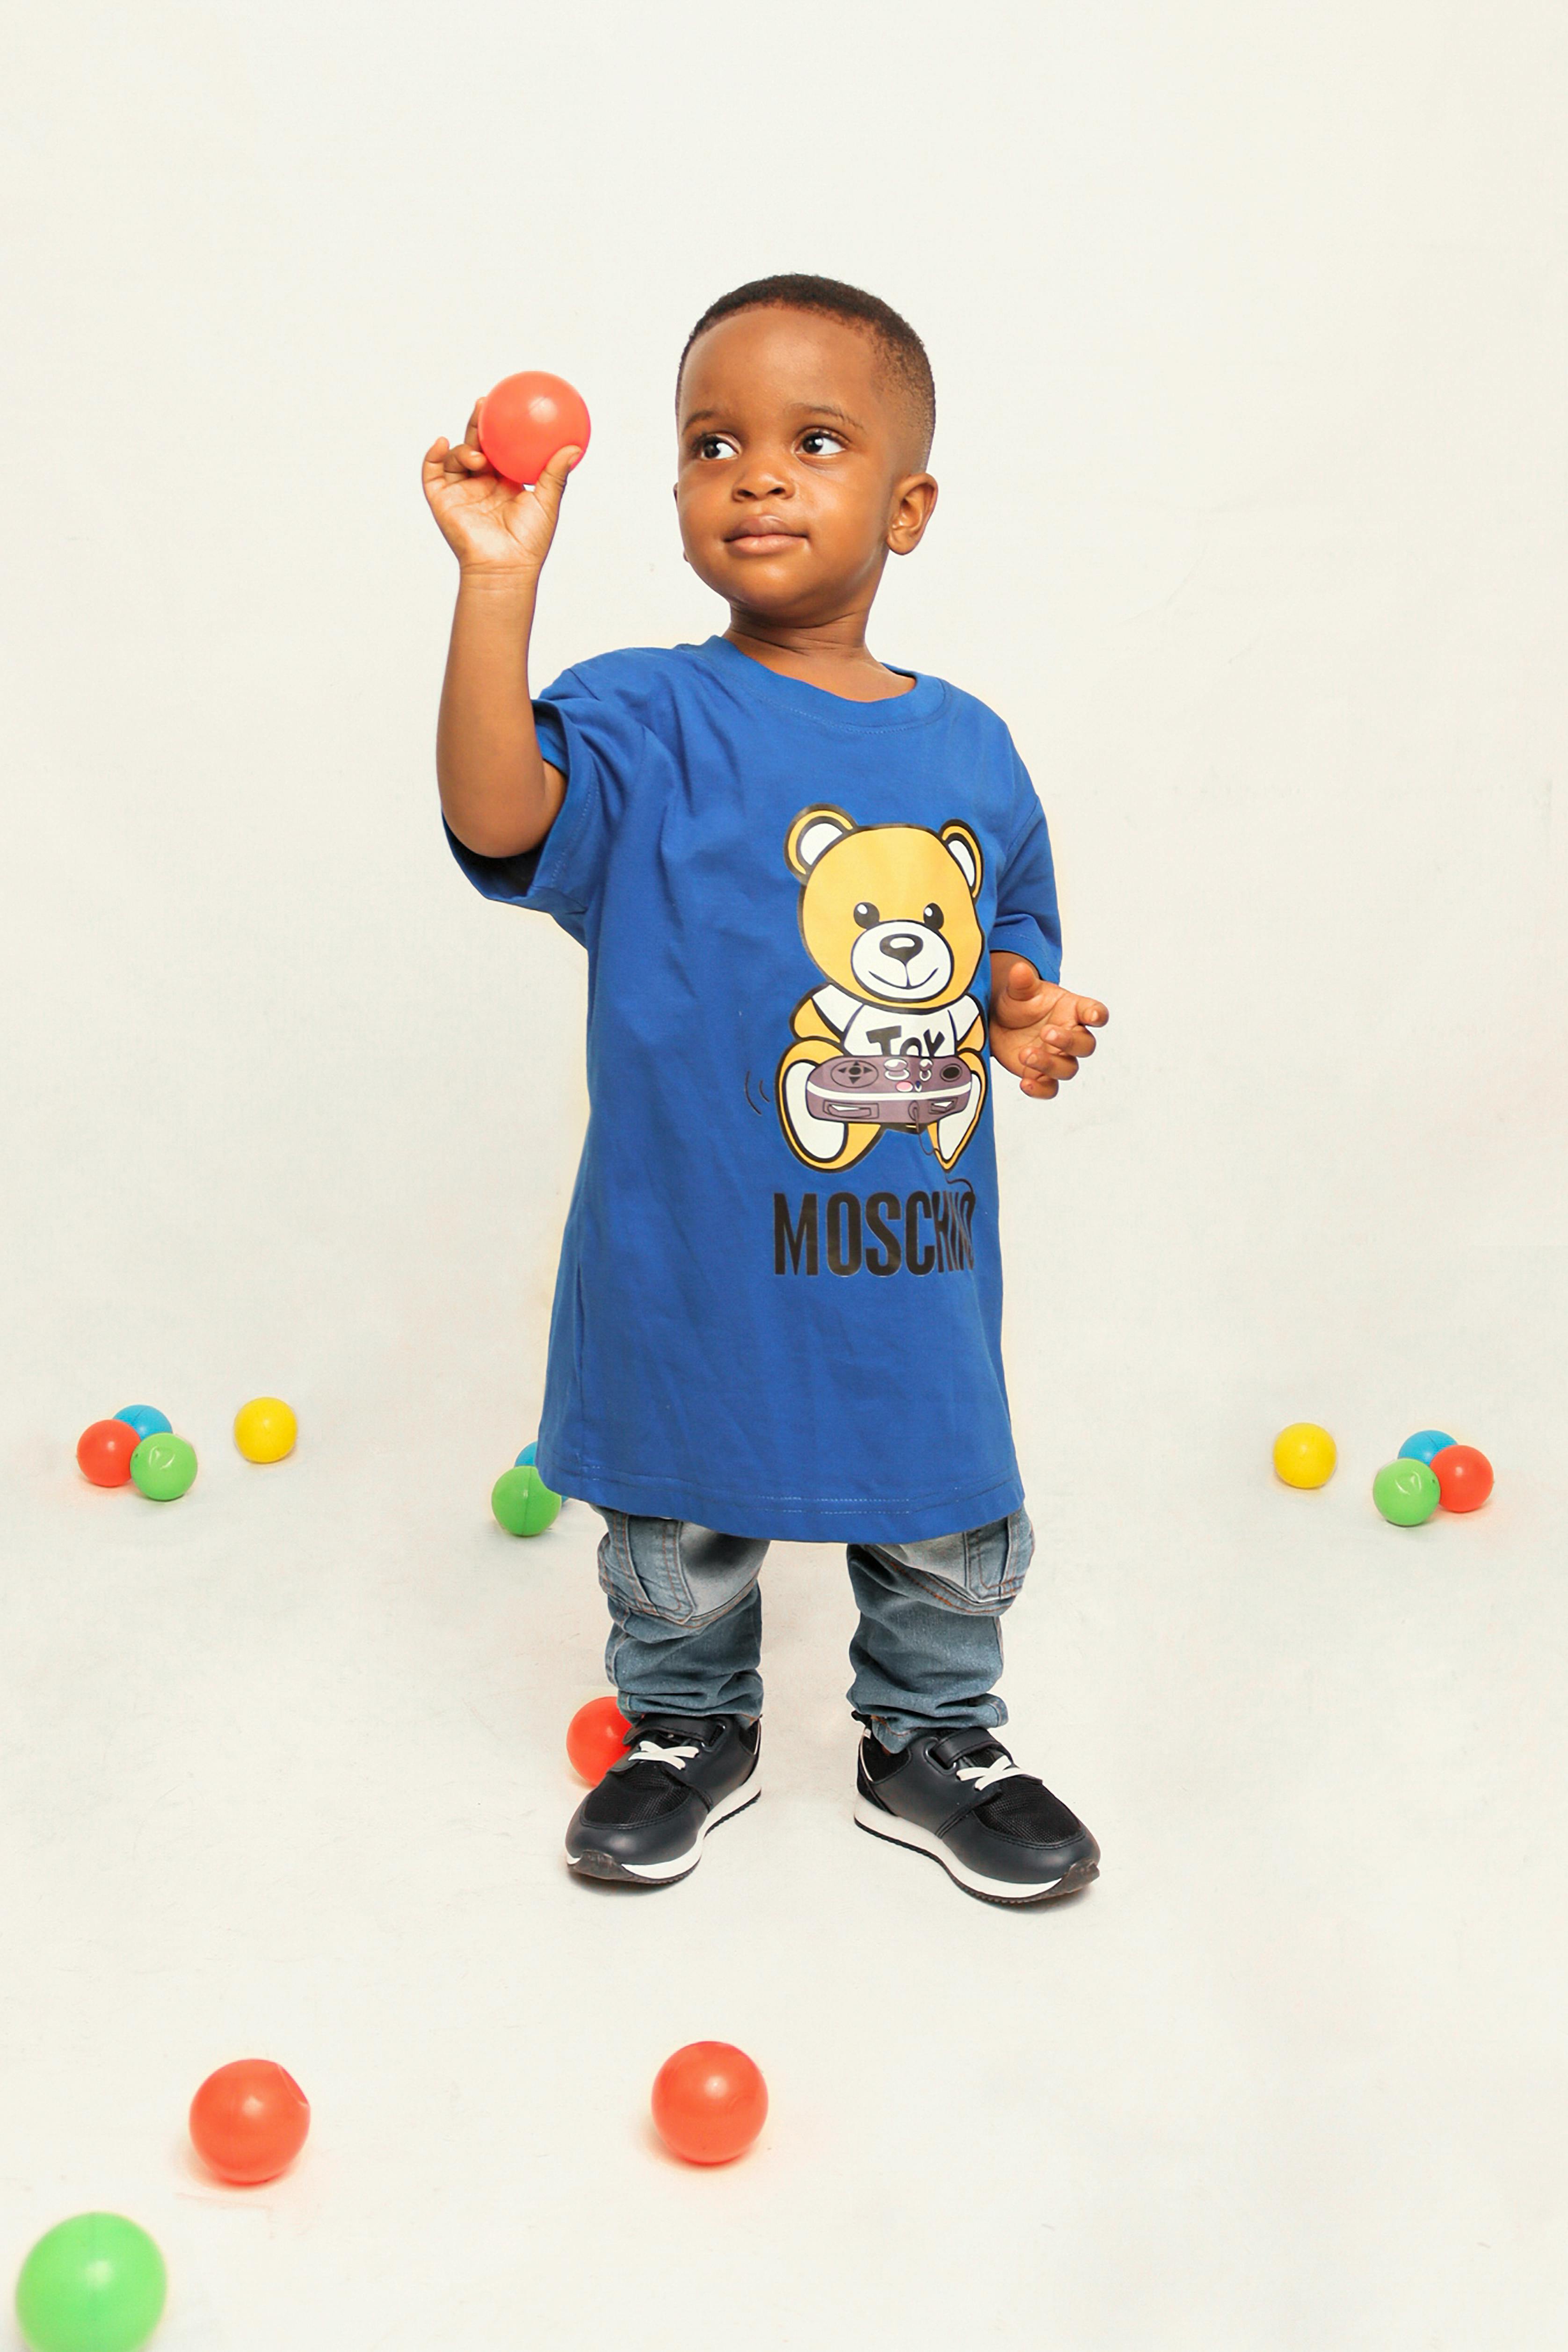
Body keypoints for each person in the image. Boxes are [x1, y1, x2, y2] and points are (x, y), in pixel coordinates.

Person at [423, 275, 1109, 1908]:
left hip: (906, 1262)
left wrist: (1025, 1012)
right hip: (692, 1259)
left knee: (940, 1506)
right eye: (712, 442)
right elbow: (500, 809)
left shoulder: (974, 756)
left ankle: (931, 1738)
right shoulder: (647, 714)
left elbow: (1004, 950)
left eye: (815, 440)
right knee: (680, 1531)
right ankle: (683, 1730)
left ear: (908, 504)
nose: (757, 474)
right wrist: (498, 589)